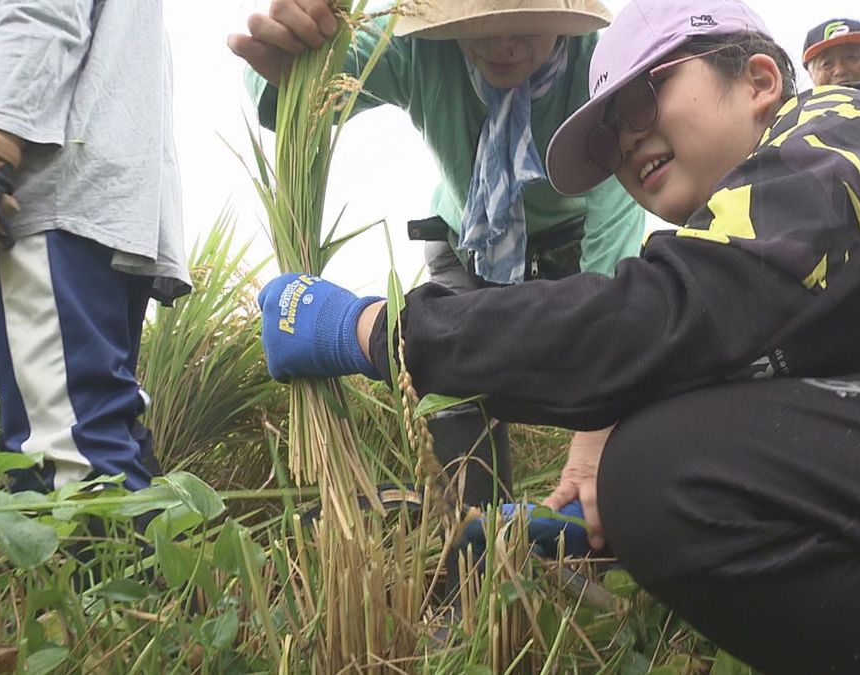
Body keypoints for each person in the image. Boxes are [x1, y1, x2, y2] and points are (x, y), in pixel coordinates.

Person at [256, 0, 860, 671]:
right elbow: (727, 367)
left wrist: (383, 331)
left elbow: (665, 312)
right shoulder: (783, 265)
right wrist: (589, 504)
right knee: (664, 461)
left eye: (647, 96)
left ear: (762, 80)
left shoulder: (845, 128)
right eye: (609, 130)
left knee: (663, 466)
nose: (628, 139)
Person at [229, 0, 644, 505]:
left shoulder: (600, 81)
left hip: (568, 257)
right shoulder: (420, 49)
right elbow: (292, 89)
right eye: (481, 27)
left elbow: (612, 284)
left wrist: (596, 434)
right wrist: (289, 52)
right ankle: (474, 544)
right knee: (453, 399)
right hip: (463, 247)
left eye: (524, 26)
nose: (503, 46)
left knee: (616, 405)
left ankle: (589, 533)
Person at [0, 1, 190, 494]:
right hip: (90, 198)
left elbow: (41, 9)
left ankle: (92, 568)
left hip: (41, 195)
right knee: (97, 431)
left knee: (68, 461)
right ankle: (139, 565)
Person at [803, 17, 860, 86]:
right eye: (827, 63)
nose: (840, 70)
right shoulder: (799, 97)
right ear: (811, 74)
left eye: (850, 57)